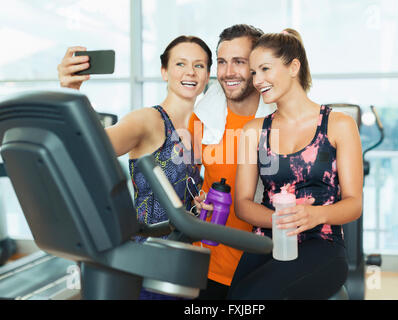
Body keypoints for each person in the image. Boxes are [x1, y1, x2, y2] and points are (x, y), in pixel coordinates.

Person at [57, 35, 212, 299]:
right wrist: (70, 91)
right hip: (146, 264)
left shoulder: (205, 128)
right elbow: (88, 147)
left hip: (184, 263)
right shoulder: (149, 120)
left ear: (208, 74)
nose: (190, 72)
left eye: (199, 65)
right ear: (164, 72)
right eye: (180, 64)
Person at [227, 28, 363, 300]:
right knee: (238, 299)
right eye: (254, 72)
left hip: (322, 243)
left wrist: (315, 216)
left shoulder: (339, 125)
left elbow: (354, 203)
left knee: (257, 295)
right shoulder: (254, 131)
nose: (257, 80)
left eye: (265, 69)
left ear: (294, 67)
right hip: (267, 241)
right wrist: (280, 221)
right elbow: (242, 204)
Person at [189, 24, 276, 299]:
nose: (228, 72)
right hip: (209, 263)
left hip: (264, 262)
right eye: (222, 62)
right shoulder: (201, 120)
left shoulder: (280, 122)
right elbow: (190, 182)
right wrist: (194, 199)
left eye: (239, 62)